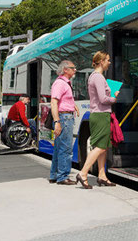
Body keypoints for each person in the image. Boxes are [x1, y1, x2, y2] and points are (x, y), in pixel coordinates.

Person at [76, 51, 120, 189]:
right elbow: (103, 99)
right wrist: (114, 97)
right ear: (101, 62)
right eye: (107, 60)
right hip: (101, 115)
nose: (109, 62)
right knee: (100, 146)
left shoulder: (93, 77)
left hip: (98, 114)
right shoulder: (99, 78)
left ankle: (102, 176)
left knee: (103, 146)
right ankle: (83, 173)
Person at [49, 60, 80, 185]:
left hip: (65, 116)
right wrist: (57, 121)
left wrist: (73, 106)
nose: (75, 70)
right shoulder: (60, 83)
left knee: (58, 148)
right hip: (64, 118)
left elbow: (63, 100)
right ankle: (62, 176)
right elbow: (54, 102)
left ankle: (54, 175)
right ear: (65, 70)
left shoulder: (65, 83)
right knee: (66, 149)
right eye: (73, 68)